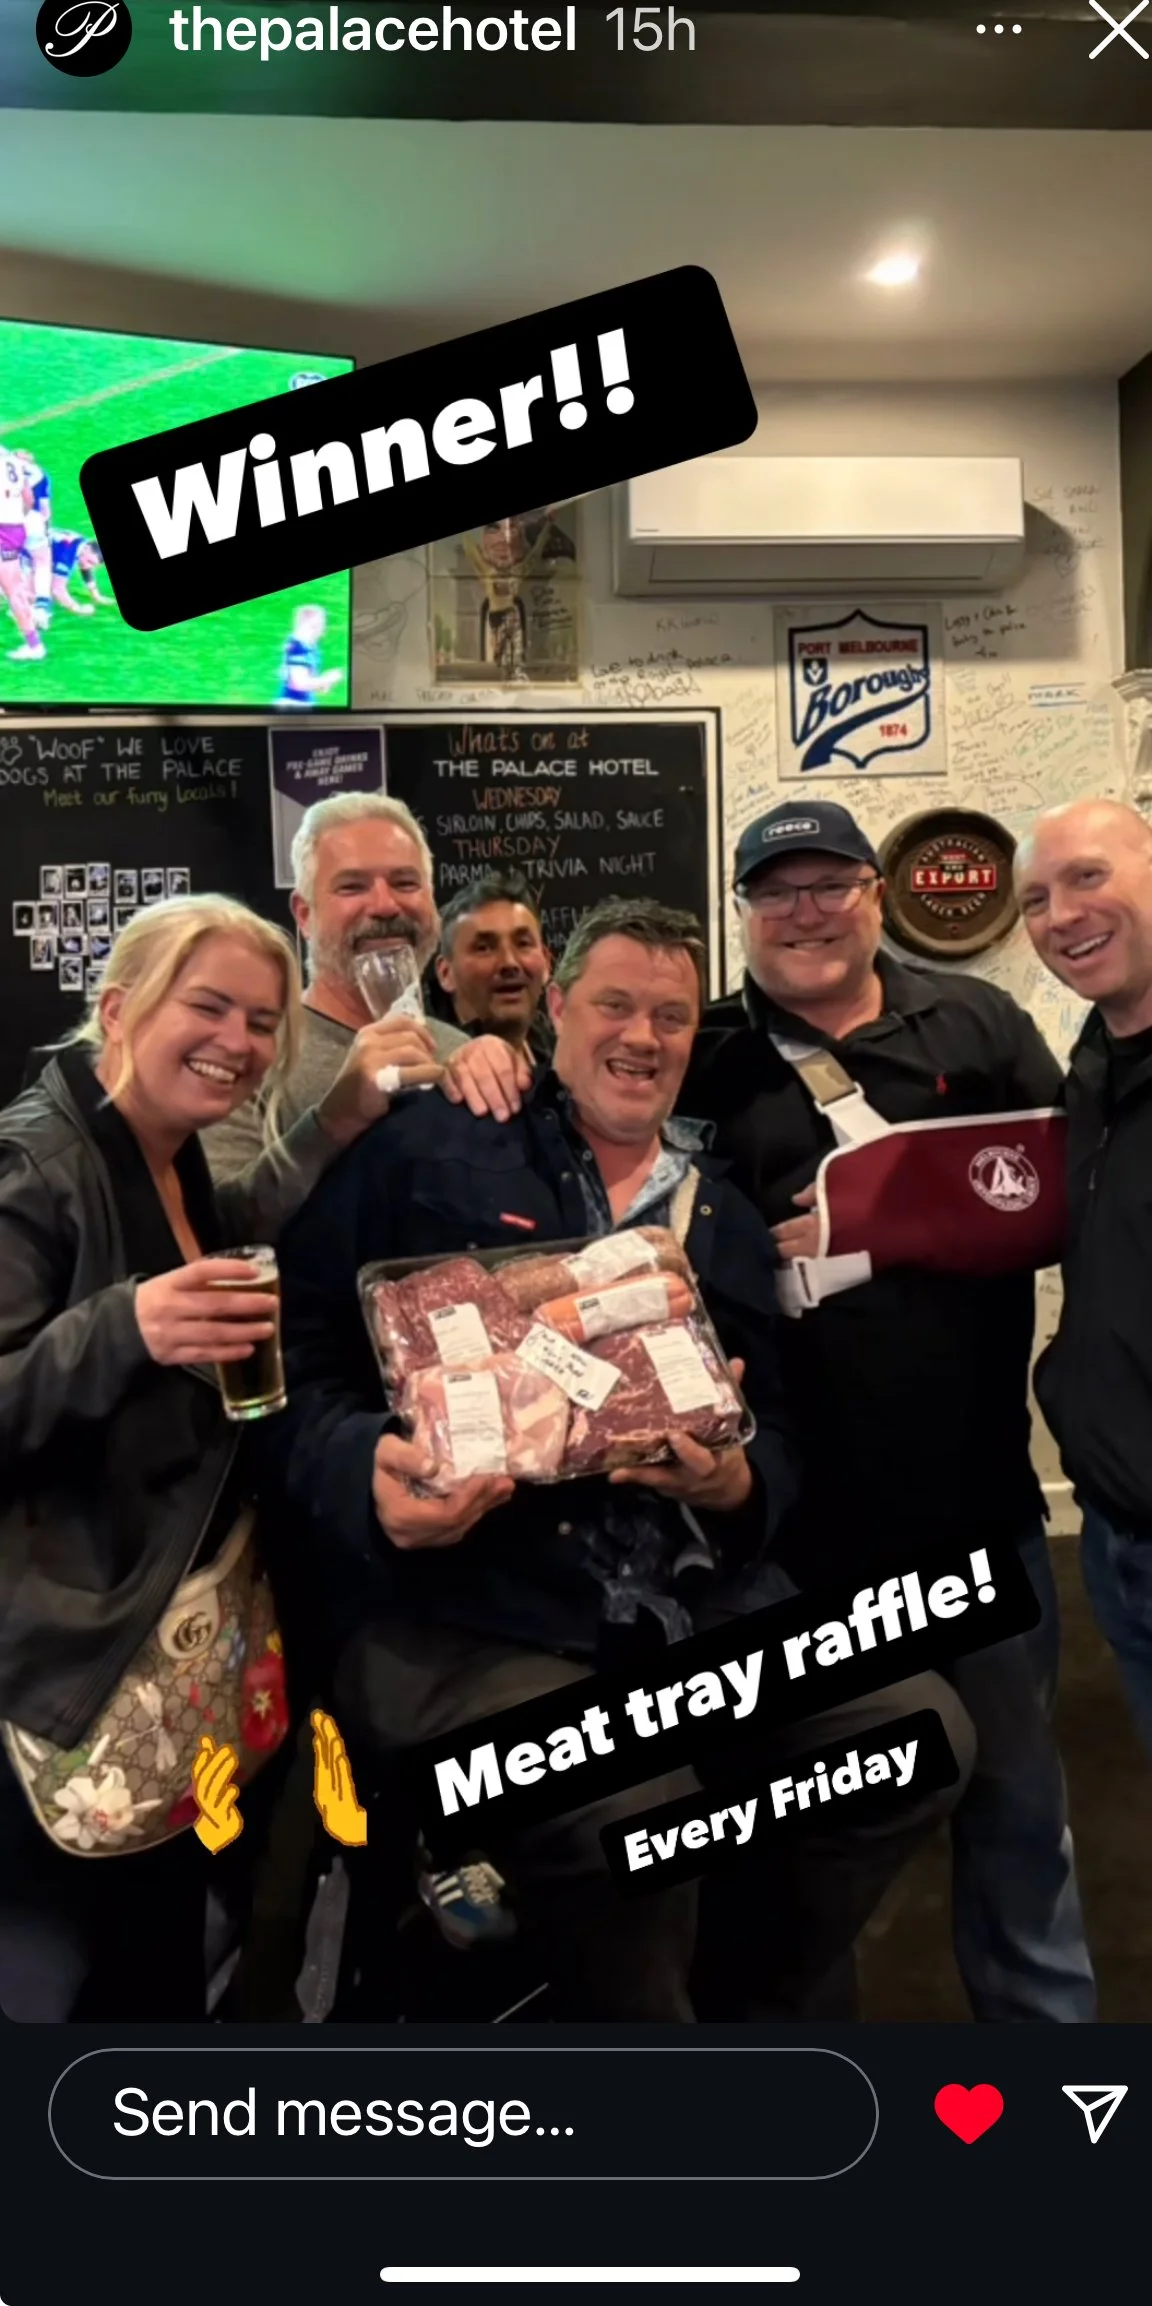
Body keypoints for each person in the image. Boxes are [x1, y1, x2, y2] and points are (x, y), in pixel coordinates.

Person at [267, 896, 975, 2023]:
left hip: (693, 1602)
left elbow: (781, 1430)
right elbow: (299, 1354)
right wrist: (365, 1471)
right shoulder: (432, 1147)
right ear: (556, 1008)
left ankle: (727, 2001)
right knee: (630, 1812)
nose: (641, 1036)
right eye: (613, 1004)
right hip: (475, 1608)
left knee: (918, 1733)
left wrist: (739, 1484)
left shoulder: (723, 1214)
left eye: (672, 1014)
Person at [444, 803, 1096, 2023]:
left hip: (977, 1502)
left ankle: (1053, 2082)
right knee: (826, 1810)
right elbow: (573, 1121)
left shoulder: (978, 1017)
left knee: (1017, 1805)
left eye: (830, 883)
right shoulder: (708, 1044)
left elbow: (1064, 1186)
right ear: (745, 909)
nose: (806, 909)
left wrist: (896, 1222)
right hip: (796, 1535)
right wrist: (469, 1048)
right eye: (775, 889)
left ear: (875, 890)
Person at [0, 893, 336, 2022]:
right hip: (65, 1668)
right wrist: (128, 1326)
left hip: (162, 1648)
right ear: (118, 1005)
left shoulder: (165, 1149)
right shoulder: (32, 1163)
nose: (238, 1042)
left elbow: (232, 1221)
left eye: (261, 1020)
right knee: (75, 1976)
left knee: (158, 1958)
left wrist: (346, 1112)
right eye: (209, 1006)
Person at [1016, 799, 1152, 1765]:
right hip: (1115, 1529)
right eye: (1034, 898)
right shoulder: (1095, 1068)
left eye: (1088, 876)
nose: (1060, 915)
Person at [203, 793, 468, 1188]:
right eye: (352, 887)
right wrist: (334, 1119)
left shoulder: (460, 1050)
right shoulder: (249, 1053)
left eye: (405, 882)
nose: (384, 905)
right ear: (304, 915)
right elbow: (222, 1225)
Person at [427, 869, 553, 1061]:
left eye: (523, 944)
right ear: (445, 973)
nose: (509, 962)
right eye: (484, 948)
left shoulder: (568, 1067)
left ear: (546, 963)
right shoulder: (424, 1076)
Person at [277, 604, 343, 706]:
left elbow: (309, 685)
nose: (323, 630)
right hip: (293, 705)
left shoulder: (309, 646)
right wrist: (328, 679)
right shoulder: (298, 647)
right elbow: (299, 683)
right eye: (322, 625)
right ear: (314, 624)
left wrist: (325, 683)